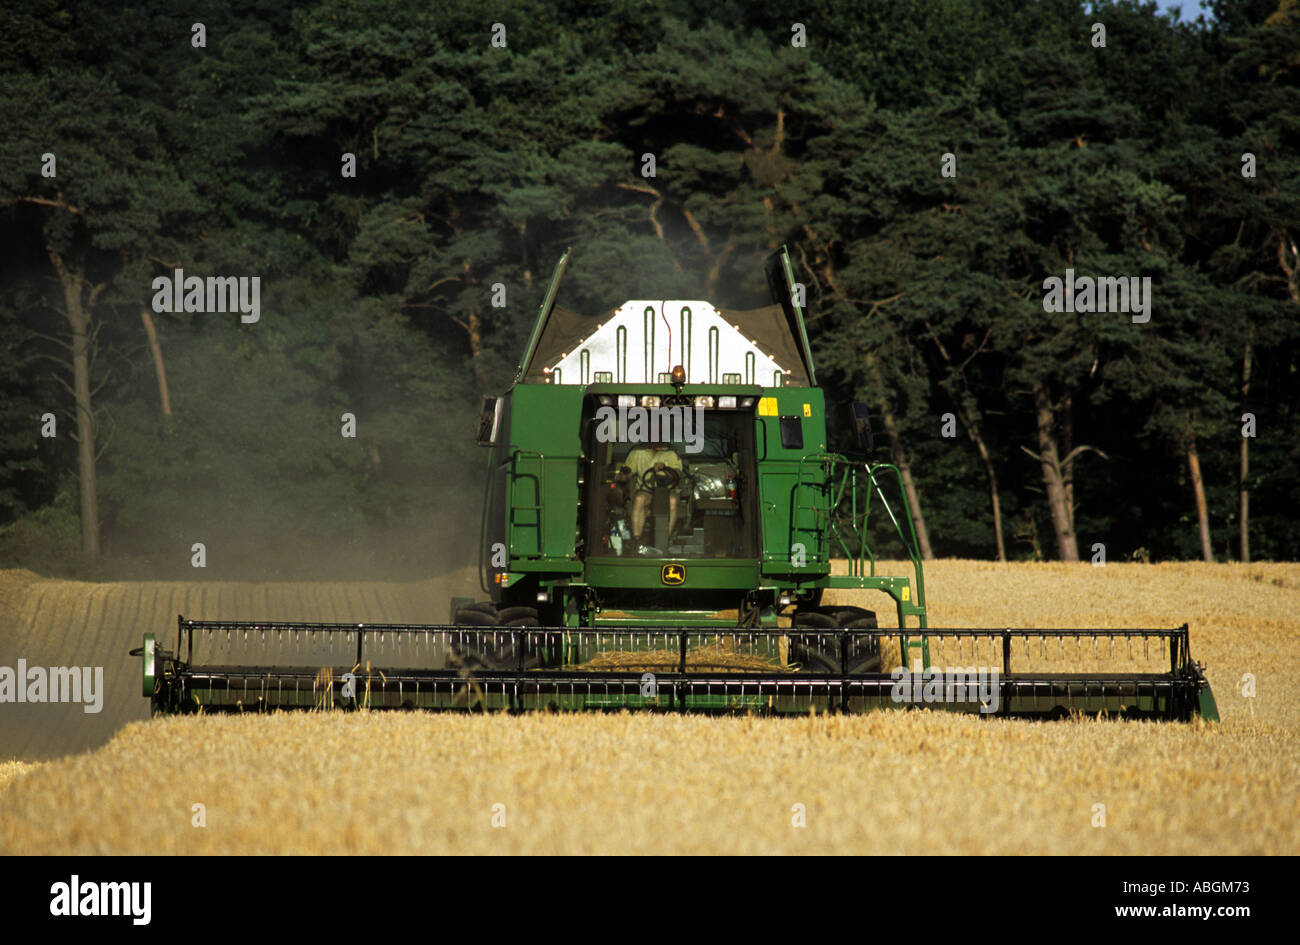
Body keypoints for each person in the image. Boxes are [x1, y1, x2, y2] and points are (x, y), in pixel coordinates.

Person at [621, 442, 682, 552]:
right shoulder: (637, 452)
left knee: (672, 500)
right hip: (646, 490)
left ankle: (665, 539)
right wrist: (625, 474)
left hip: (666, 491)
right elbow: (626, 474)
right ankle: (636, 540)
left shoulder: (671, 453)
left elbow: (677, 473)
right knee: (639, 499)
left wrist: (665, 468)